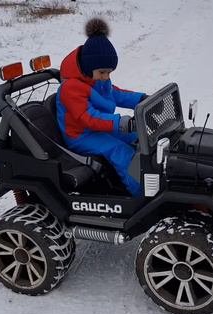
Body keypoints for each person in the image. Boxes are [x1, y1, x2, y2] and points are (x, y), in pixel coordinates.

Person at [56, 18, 146, 197]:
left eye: (109, 72)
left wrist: (141, 99)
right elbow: (88, 118)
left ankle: (151, 174)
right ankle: (141, 195)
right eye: (103, 72)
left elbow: (116, 94)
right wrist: (121, 123)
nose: (106, 77)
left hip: (100, 127)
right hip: (81, 135)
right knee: (119, 151)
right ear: (89, 68)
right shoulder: (70, 88)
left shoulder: (96, 79)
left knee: (140, 137)